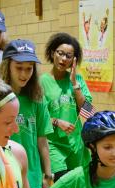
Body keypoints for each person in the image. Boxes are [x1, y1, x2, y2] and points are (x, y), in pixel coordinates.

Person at [0, 39, 53, 188]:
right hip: (2, 176)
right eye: (19, 68)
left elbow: (42, 140)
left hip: (32, 178)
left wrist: (47, 174)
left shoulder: (37, 97)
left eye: (29, 69)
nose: (24, 74)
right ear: (7, 66)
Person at [41, 32, 93, 179]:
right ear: (52, 53)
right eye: (60, 53)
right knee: (62, 182)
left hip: (76, 145)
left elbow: (88, 112)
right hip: (54, 145)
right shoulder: (42, 82)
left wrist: (75, 85)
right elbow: (39, 117)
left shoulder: (77, 80)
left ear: (74, 60)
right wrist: (57, 122)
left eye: (68, 56)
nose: (64, 59)